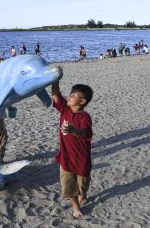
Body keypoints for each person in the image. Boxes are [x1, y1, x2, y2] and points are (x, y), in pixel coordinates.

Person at [52, 78, 93, 219]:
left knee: (83, 185)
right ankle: (76, 207)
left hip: (82, 159)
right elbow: (56, 94)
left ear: (82, 102)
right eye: (70, 94)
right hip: (66, 158)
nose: (69, 96)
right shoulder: (64, 109)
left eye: (74, 95)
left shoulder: (85, 117)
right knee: (69, 186)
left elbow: (85, 132)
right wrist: (55, 79)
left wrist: (72, 130)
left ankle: (83, 193)